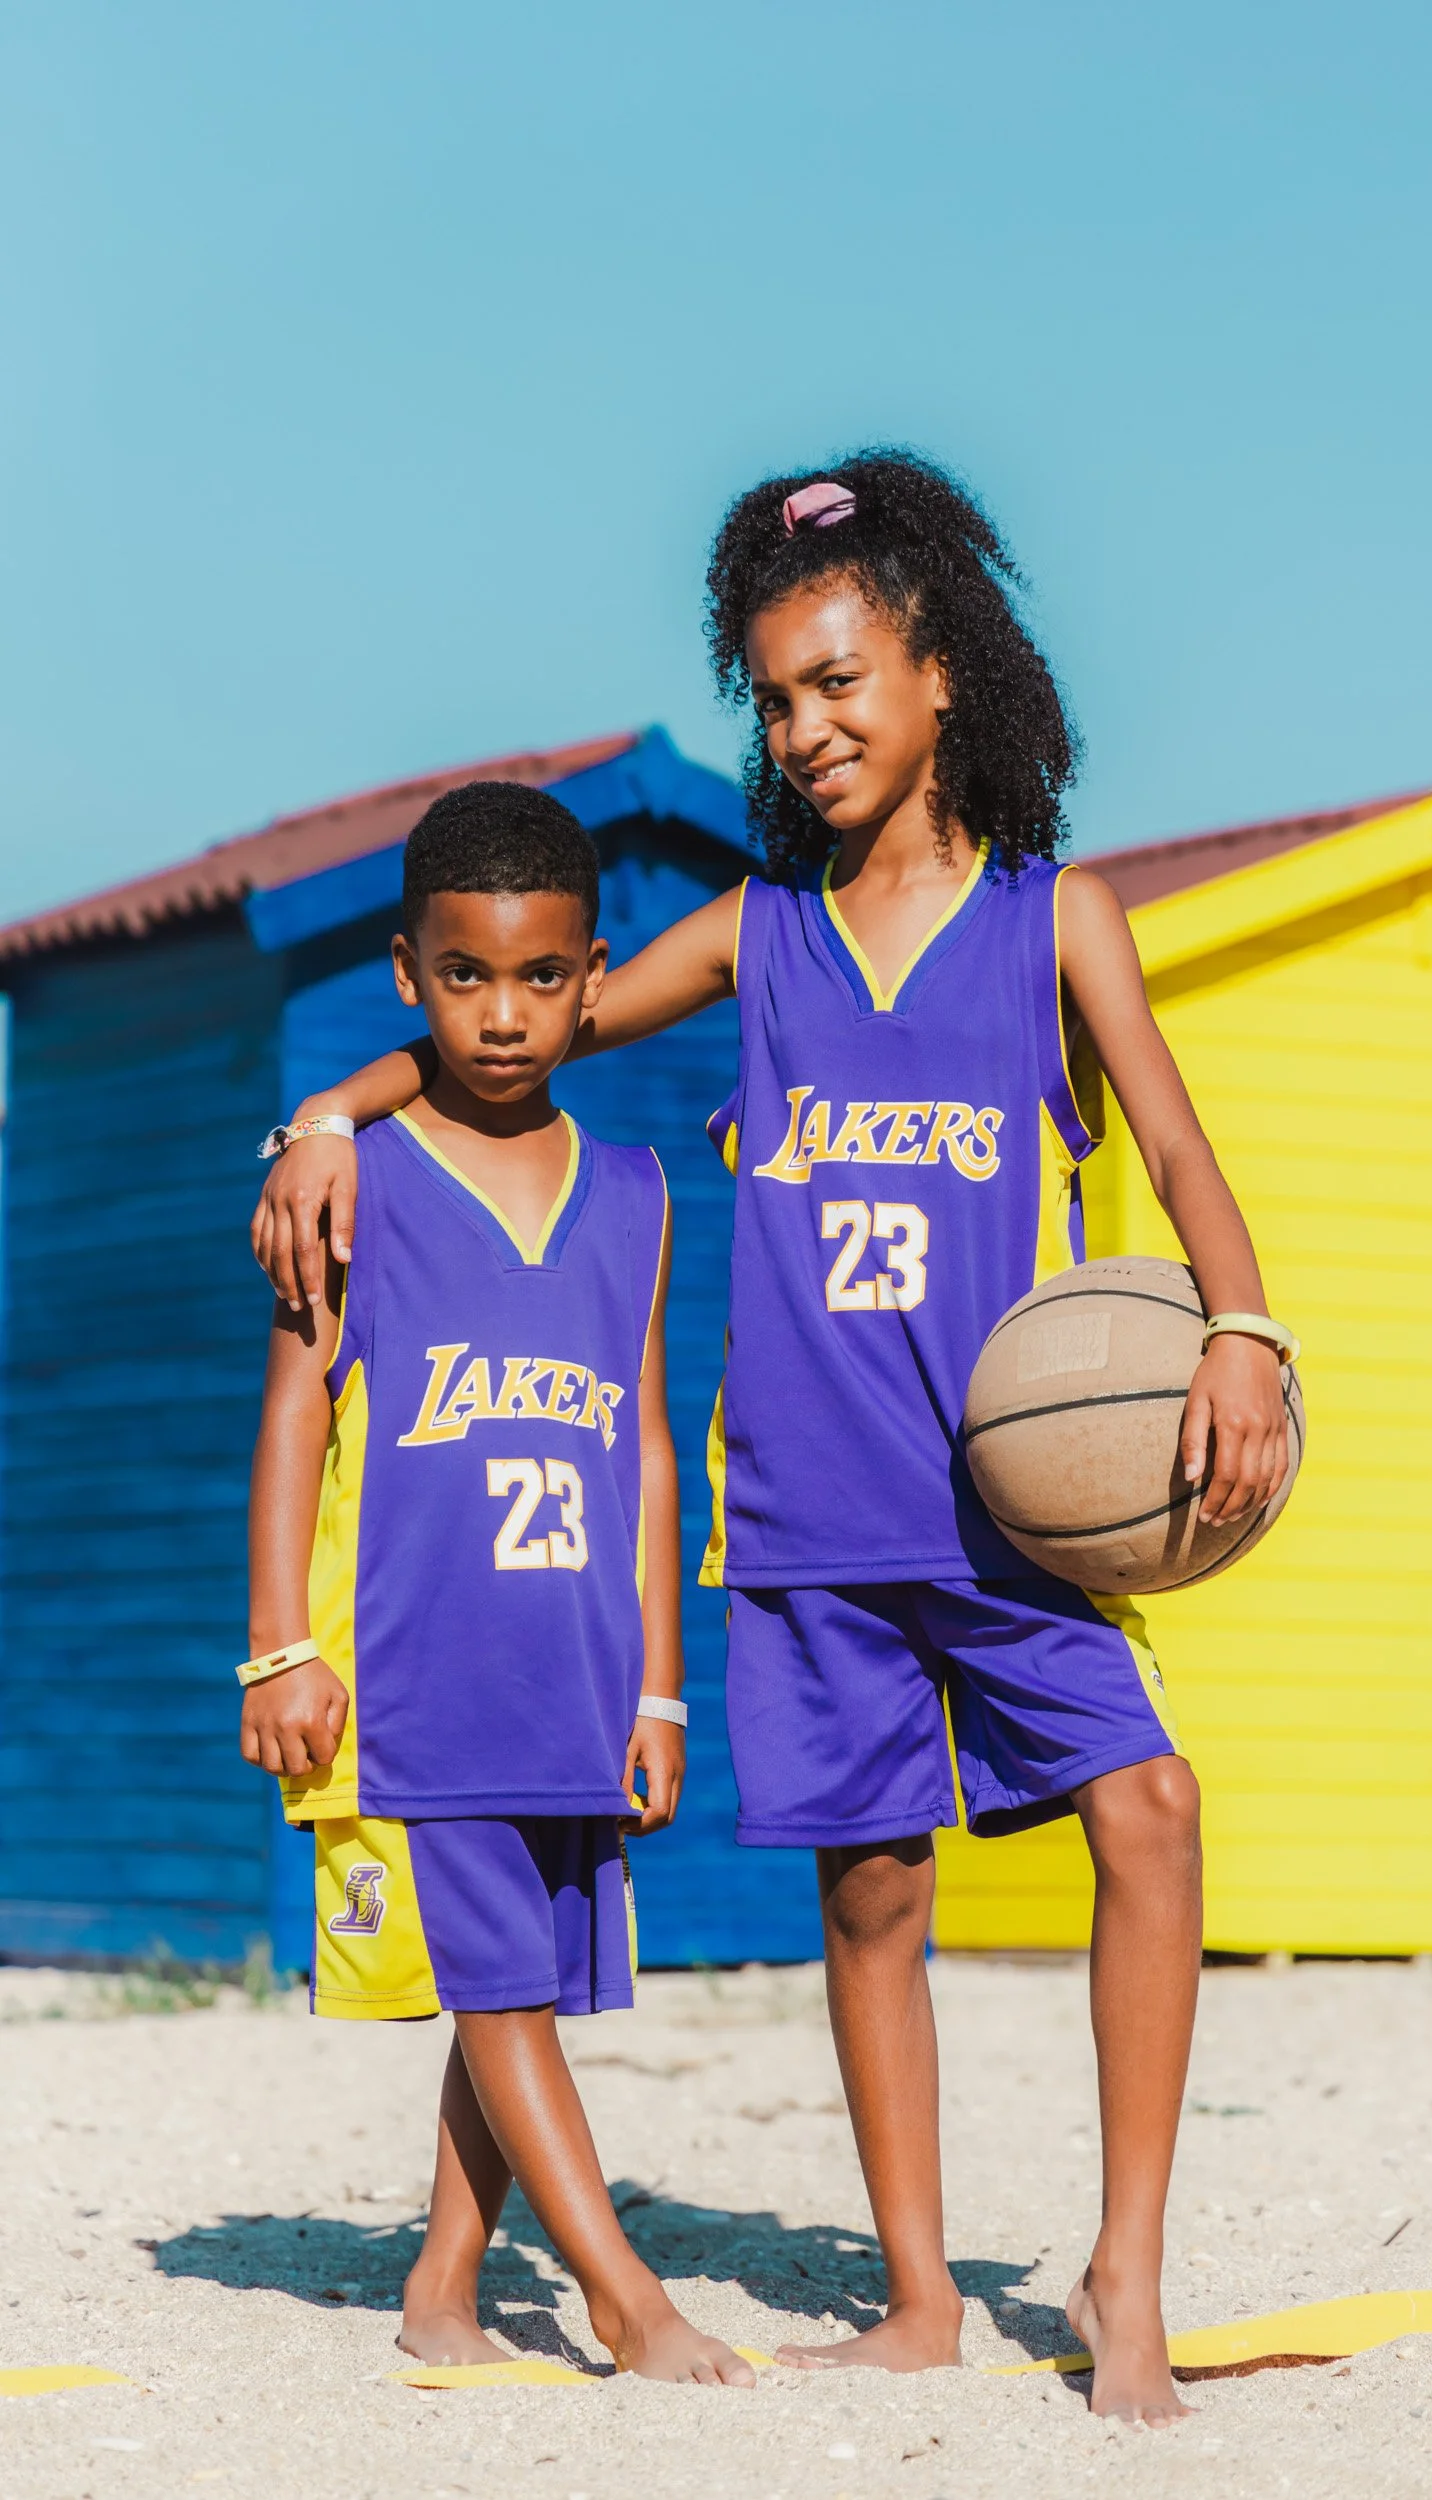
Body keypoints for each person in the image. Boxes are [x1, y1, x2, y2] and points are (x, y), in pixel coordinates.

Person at [252, 453, 1291, 2424]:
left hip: (1002, 1501)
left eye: (837, 681)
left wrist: (1234, 1327)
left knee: (1143, 1809)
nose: (805, 728)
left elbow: (1168, 1143)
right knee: (873, 1890)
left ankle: (1121, 2270)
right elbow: (529, 1031)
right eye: (775, 696)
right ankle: (916, 2295)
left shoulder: (1054, 918)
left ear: (938, 675)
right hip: (807, 1512)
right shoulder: (752, 935)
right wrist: (334, 1108)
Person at [241, 779, 753, 2388]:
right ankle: (625, 2297)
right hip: (418, 1667)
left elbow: (653, 1451)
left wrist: (661, 1682)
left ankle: (444, 2287)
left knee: (513, 1987)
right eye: (465, 975)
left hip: (580, 1670)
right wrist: (277, 1649)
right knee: (504, 1997)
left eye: (541, 977)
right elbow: (296, 1412)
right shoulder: (357, 1180)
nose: (506, 1012)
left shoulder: (640, 1193)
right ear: (407, 974)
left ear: (593, 977)